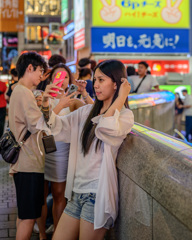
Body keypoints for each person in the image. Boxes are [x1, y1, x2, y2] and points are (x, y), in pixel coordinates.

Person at [36, 60, 134, 240]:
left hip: (97, 196)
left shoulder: (126, 116)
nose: (95, 85)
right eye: (95, 79)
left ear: (116, 83)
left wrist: (121, 98)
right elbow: (55, 128)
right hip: (76, 193)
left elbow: (105, 128)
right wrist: (46, 103)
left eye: (101, 80)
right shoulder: (86, 111)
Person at [36, 63, 92, 240]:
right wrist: (57, 103)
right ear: (51, 79)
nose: (62, 80)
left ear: (70, 80)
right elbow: (41, 123)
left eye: (65, 77)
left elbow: (94, 113)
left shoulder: (73, 100)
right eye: (58, 76)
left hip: (62, 153)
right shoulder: (40, 97)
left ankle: (58, 234)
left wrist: (84, 93)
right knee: (41, 195)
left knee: (60, 194)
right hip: (41, 150)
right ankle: (42, 234)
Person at [8, 51, 60, 240]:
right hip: (29, 161)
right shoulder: (24, 93)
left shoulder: (18, 90)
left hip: (24, 161)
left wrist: (44, 100)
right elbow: (39, 124)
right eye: (40, 71)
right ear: (29, 68)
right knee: (29, 218)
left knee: (24, 215)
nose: (41, 76)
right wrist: (50, 105)